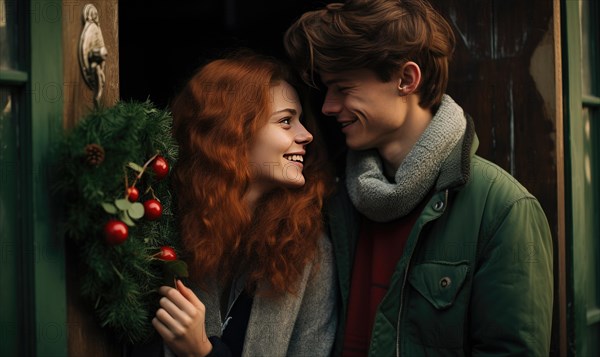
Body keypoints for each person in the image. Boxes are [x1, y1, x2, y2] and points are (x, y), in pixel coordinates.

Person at [284, 0, 554, 356]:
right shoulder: (333, 200)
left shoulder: (503, 208)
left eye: (343, 89)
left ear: (406, 79)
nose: (328, 106)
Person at [152, 50, 337, 357]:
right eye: (286, 121)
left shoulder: (311, 253)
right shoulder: (160, 236)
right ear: (233, 133)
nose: (306, 135)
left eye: (300, 121)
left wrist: (202, 353)